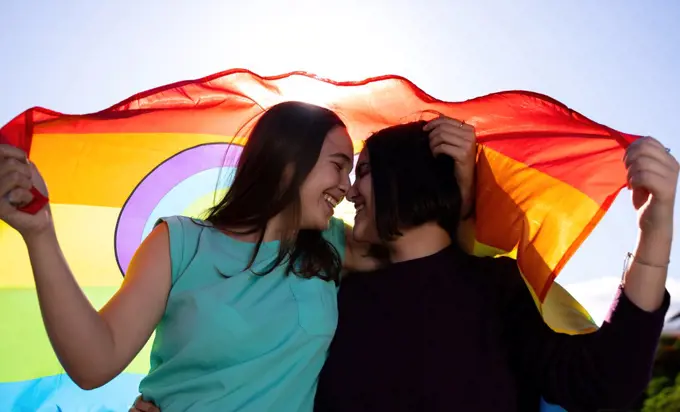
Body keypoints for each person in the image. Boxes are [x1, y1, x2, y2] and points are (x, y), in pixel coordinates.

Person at [0, 102, 475, 412]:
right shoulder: (179, 242)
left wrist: (464, 188)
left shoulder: (333, 245)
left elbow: (434, 262)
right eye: (337, 166)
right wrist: (40, 236)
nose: (347, 188)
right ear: (289, 160)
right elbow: (94, 361)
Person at [312, 121, 676, 411]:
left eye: (366, 172)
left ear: (408, 176)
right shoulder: (341, 294)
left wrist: (654, 232)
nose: (351, 191)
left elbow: (602, 382)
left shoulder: (494, 287)